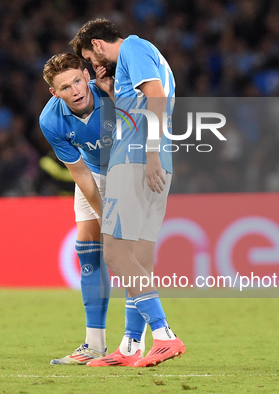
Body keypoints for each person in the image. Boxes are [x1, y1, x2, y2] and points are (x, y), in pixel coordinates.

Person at [71, 18, 185, 367]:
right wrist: (110, 90)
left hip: (135, 161)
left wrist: (149, 153)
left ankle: (164, 336)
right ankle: (131, 345)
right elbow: (141, 103)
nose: (94, 66)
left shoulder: (133, 47)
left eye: (90, 59)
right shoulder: (144, 58)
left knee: (116, 255)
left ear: (98, 45)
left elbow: (156, 97)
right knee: (139, 260)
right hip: (156, 161)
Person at [39, 53, 116, 365]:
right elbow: (81, 174)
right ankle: (94, 345)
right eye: (65, 87)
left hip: (128, 168)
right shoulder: (51, 120)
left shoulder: (111, 93)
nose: (75, 90)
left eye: (77, 80)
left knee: (126, 256)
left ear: (86, 75)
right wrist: (105, 215)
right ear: (54, 93)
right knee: (88, 249)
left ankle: (139, 341)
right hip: (93, 174)